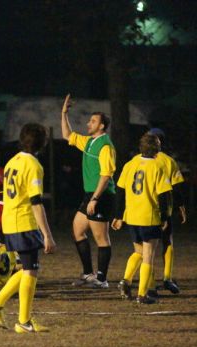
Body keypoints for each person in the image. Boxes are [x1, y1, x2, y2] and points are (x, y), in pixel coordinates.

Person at [0, 123, 56, 333]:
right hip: (24, 220)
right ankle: (23, 321)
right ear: (42, 143)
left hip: (9, 219)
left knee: (27, 269)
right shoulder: (34, 165)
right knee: (31, 271)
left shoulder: (13, 161)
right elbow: (35, 202)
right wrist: (47, 235)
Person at [61, 94, 116, 288]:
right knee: (78, 231)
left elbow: (106, 175)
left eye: (93, 121)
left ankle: (102, 279)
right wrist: (64, 113)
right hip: (90, 195)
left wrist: (94, 199)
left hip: (101, 195)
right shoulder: (90, 142)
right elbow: (67, 135)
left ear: (101, 126)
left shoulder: (105, 146)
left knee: (101, 237)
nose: (88, 123)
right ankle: (87, 274)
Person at [113, 133, 172, 304]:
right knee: (147, 257)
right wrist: (165, 217)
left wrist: (118, 215)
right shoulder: (157, 167)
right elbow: (163, 195)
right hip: (149, 217)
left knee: (138, 252)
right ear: (157, 149)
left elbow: (120, 190)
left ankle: (126, 280)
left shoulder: (130, 164)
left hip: (132, 216)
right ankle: (142, 294)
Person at [146, 128, 186, 294]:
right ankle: (167, 278)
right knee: (167, 241)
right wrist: (181, 207)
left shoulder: (138, 160)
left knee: (147, 249)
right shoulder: (169, 161)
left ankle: (150, 284)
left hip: (145, 210)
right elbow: (176, 188)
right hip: (165, 209)